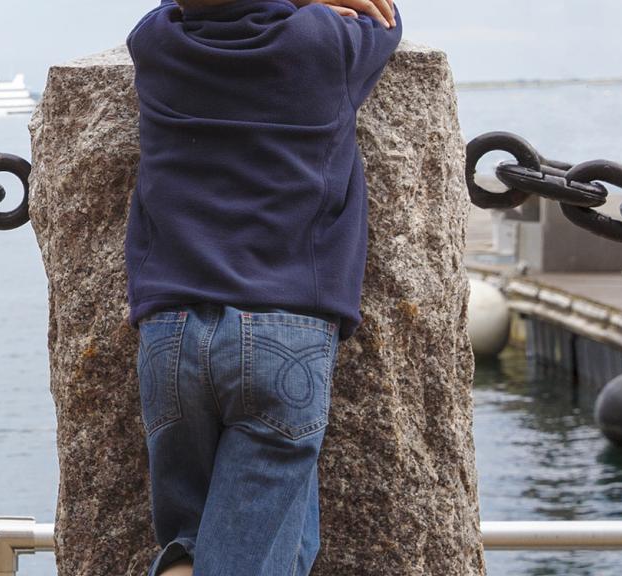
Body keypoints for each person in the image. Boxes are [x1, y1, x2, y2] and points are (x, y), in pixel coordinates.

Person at [124, 0, 401, 575]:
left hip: (169, 336)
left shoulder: (156, 44)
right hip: (285, 334)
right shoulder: (326, 43)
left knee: (195, 549)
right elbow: (385, 15)